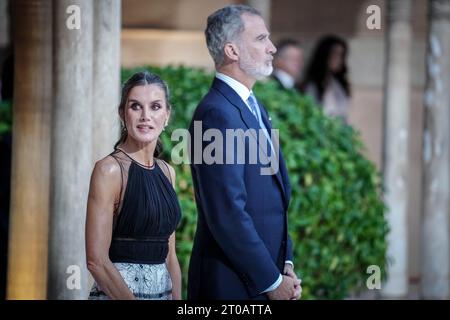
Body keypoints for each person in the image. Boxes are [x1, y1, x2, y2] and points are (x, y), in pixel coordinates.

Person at [187, 5, 301, 300]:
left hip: (263, 277)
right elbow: (227, 212)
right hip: (230, 284)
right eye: (261, 39)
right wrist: (271, 282)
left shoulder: (254, 106)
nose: (272, 48)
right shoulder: (215, 114)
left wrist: (284, 264)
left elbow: (275, 197)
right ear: (232, 50)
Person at [85, 71, 182, 300]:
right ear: (122, 113)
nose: (145, 116)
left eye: (156, 107)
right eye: (136, 106)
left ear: (167, 115)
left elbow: (170, 256)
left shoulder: (168, 172)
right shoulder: (109, 170)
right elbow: (96, 260)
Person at [299, 35, 351, 122]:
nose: (338, 60)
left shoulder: (337, 84)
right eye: (335, 54)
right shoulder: (312, 85)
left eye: (341, 55)